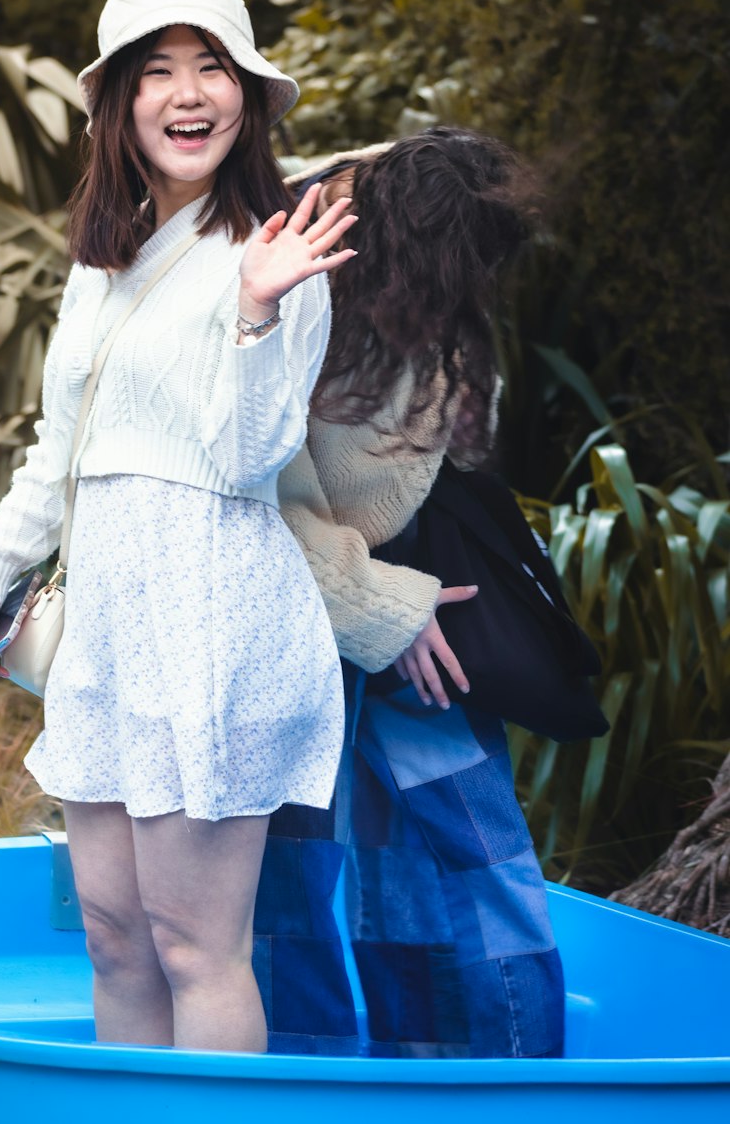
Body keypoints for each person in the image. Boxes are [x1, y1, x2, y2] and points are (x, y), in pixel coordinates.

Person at [0, 0, 355, 1054]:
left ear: (248, 95)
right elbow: (61, 446)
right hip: (114, 629)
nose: (188, 92)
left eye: (210, 66)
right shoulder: (105, 261)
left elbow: (248, 460)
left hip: (213, 620)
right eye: (159, 70)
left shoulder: (280, 253)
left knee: (194, 945)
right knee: (115, 938)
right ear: (121, 104)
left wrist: (260, 312)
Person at [254, 127, 565, 1058]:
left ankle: (496, 1081)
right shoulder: (290, 268)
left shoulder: (425, 240)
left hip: (421, 600)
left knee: (457, 859)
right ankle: (300, 1090)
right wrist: (380, 608)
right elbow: (257, 485)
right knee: (294, 875)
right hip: (314, 609)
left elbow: (444, 443)